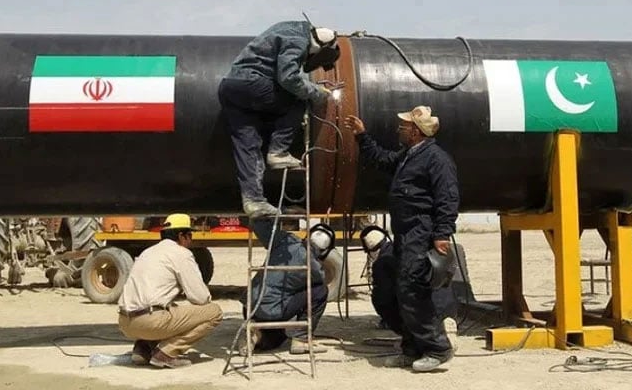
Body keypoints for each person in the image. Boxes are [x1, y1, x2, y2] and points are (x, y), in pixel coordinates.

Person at [345, 106, 460, 372]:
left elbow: (448, 197)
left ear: (416, 132)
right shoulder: (409, 155)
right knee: (392, 286)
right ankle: (411, 348)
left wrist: (442, 233)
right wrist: (362, 136)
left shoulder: (436, 159)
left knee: (412, 289)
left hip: (420, 231)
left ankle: (437, 348)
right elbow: (381, 160)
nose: (400, 129)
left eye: (405, 126)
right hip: (404, 232)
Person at [218, 20, 341, 218]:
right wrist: (316, 92)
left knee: (248, 146)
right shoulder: (299, 40)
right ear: (320, 49)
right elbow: (288, 78)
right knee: (297, 99)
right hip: (252, 82)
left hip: (231, 87)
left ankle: (254, 201)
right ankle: (279, 152)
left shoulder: (291, 28)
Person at [117, 213, 223, 369]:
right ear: (182, 236)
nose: (190, 240)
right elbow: (200, 298)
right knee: (214, 312)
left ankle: (143, 349)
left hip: (125, 322)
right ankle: (166, 354)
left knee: (168, 308)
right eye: (190, 235)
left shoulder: (149, 252)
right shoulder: (181, 253)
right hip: (149, 322)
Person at [240, 219, 333, 355]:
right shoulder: (315, 270)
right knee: (320, 291)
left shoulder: (285, 240)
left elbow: (260, 225)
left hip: (249, 306)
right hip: (272, 311)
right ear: (324, 251)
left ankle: (256, 335)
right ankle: (301, 339)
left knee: (280, 336)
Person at [361, 225, 459, 352]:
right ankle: (444, 323)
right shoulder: (412, 250)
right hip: (449, 306)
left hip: (426, 312)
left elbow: (382, 299)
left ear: (370, 250)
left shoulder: (382, 264)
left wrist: (393, 321)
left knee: (399, 301)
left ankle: (417, 339)